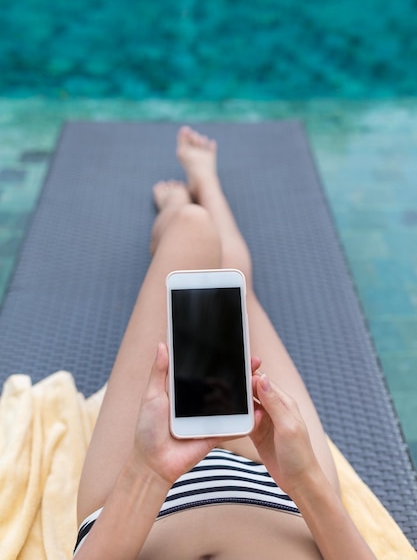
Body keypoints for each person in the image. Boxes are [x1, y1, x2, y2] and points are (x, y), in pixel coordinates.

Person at [73, 126, 376, 559]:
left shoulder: (146, 471)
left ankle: (180, 206)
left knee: (192, 232)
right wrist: (305, 479)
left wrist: (149, 470)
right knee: (234, 280)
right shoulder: (298, 482)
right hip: (288, 494)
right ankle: (208, 182)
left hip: (135, 500)